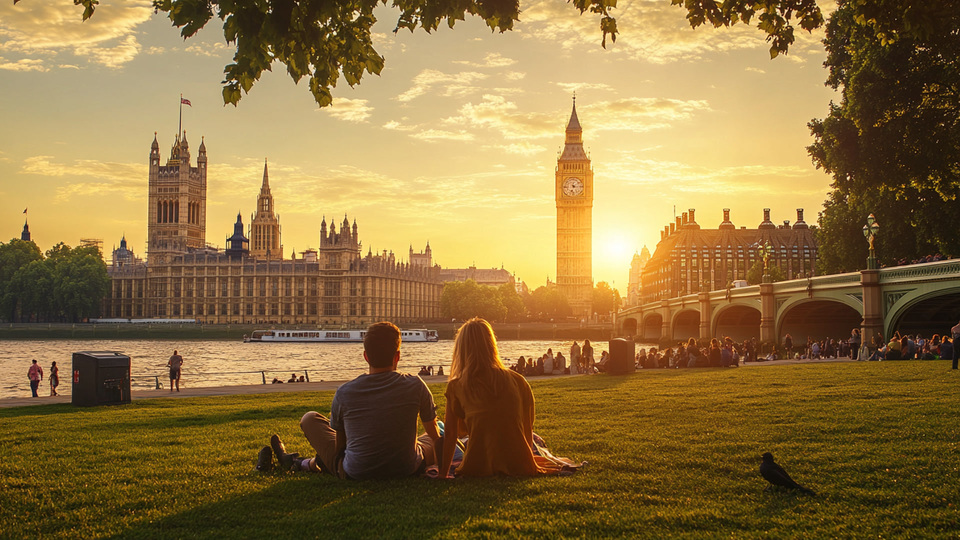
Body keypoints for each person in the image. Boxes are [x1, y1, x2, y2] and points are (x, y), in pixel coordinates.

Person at [256, 322, 441, 479]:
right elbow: (434, 435)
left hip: (357, 472)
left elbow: (341, 447)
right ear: (398, 356)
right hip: (407, 469)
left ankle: (299, 463)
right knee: (438, 428)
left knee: (309, 419)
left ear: (366, 356)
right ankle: (299, 462)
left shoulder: (345, 391)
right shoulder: (416, 384)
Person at [438, 317, 577, 478]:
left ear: (461, 349)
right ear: (491, 345)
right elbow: (527, 430)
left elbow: (450, 435)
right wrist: (528, 462)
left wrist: (442, 474)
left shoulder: (457, 386)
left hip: (477, 467)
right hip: (521, 465)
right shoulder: (519, 381)